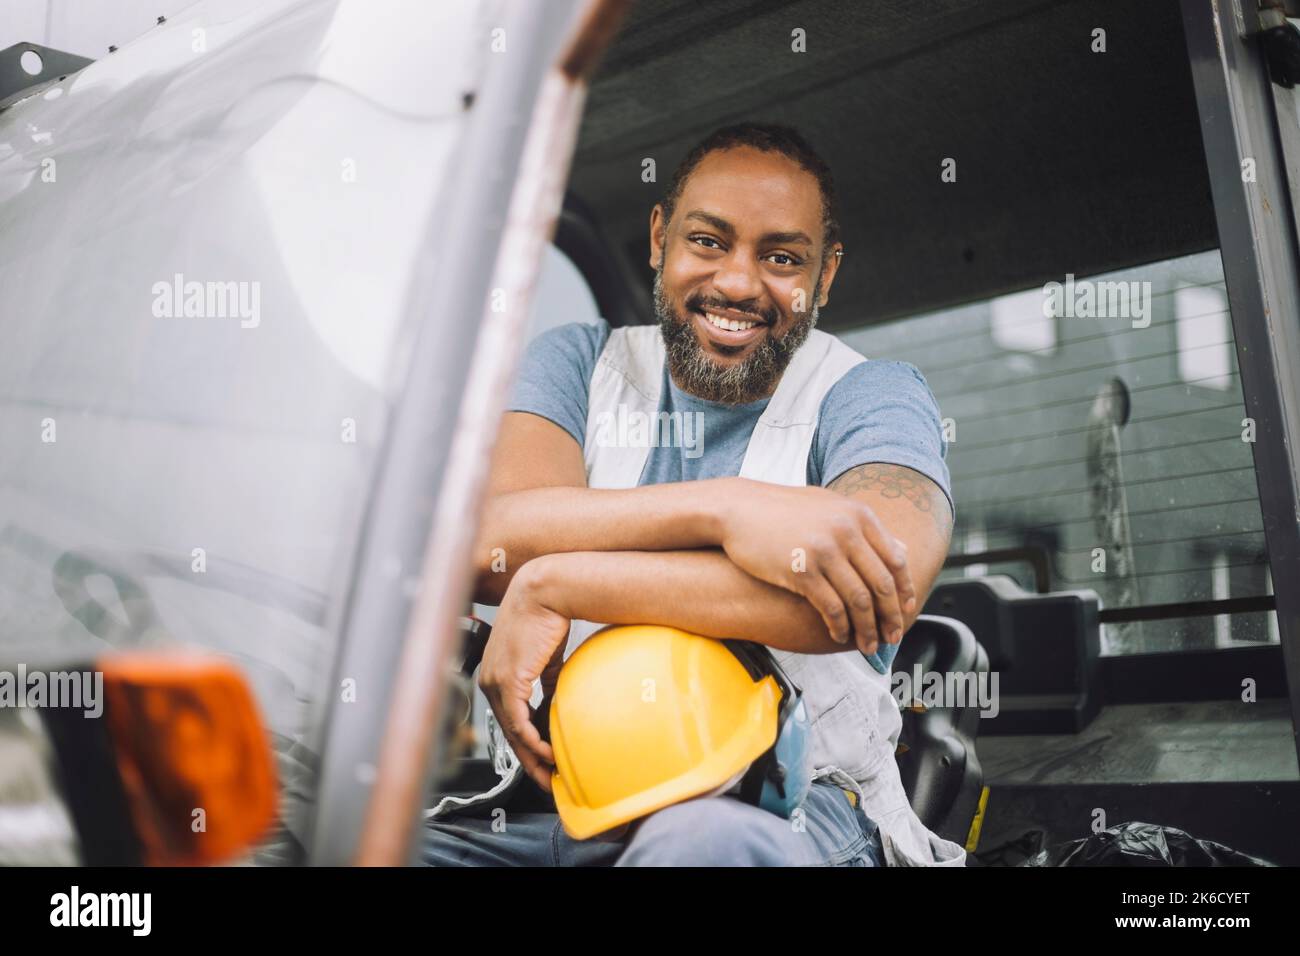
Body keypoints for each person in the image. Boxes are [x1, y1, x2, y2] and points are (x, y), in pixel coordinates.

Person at [422, 122, 965, 866]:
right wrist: (728, 509)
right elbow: (490, 544)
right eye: (708, 241)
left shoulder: (871, 395)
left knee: (701, 847)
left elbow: (880, 582)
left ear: (826, 275)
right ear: (659, 239)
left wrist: (558, 582)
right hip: (557, 801)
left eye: (781, 257)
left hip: (791, 804)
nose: (738, 283)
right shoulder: (577, 364)